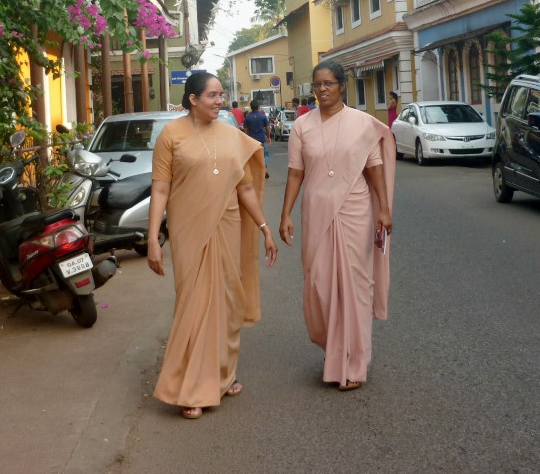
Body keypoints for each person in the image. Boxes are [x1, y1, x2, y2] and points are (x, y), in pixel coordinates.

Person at [147, 73, 279, 419]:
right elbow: (160, 189)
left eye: (222, 94)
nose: (220, 100)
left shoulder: (232, 135)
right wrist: (152, 239)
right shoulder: (171, 135)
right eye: (212, 95)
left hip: (229, 223)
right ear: (192, 99)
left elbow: (246, 188)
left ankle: (223, 374)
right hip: (189, 228)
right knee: (194, 304)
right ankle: (191, 388)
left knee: (228, 301)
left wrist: (264, 227)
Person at [279, 59, 395, 391]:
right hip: (316, 211)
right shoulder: (302, 126)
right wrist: (285, 213)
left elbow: (374, 169)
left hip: (355, 209)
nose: (322, 90)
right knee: (320, 285)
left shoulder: (361, 124)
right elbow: (295, 172)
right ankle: (334, 350)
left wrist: (384, 210)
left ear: (342, 86)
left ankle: (352, 363)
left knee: (356, 285)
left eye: (328, 84)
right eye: (317, 85)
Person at [244, 99, 271, 178]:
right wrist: (268, 137)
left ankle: (255, 171)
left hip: (252, 141)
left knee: (253, 156)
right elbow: (267, 127)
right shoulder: (263, 116)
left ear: (251, 107)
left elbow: (245, 130)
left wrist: (246, 140)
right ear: (258, 107)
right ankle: (264, 168)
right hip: (262, 139)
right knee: (265, 154)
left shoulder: (248, 117)